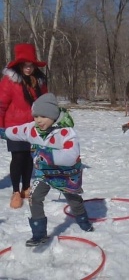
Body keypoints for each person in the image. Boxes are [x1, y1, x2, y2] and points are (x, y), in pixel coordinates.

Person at [0, 93, 94, 247]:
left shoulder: (66, 132)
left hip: (67, 174)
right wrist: (3, 133)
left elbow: (72, 155)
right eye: (35, 116)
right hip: (44, 174)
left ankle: (83, 221)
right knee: (34, 198)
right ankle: (39, 234)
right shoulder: (32, 129)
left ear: (53, 115)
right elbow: (15, 132)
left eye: (43, 116)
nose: (38, 120)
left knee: (74, 200)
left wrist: (47, 156)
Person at [0, 43, 48, 209]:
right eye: (25, 65)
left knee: (29, 157)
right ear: (19, 65)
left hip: (33, 126)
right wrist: (1, 127)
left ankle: (26, 187)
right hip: (13, 127)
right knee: (18, 157)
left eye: (31, 65)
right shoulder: (9, 81)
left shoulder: (39, 81)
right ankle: (15, 191)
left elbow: (45, 103)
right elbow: (1, 104)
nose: (28, 68)